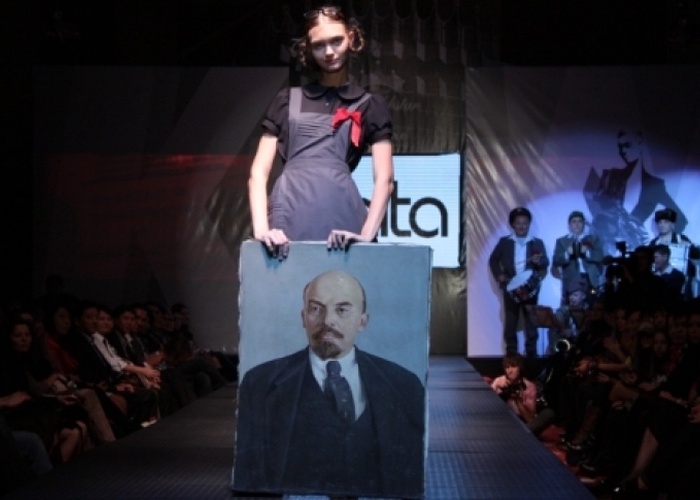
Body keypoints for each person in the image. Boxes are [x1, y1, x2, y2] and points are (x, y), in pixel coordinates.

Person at [233, 270, 425, 498]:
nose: (327, 321)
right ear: (303, 317)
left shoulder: (404, 385)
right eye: (316, 309)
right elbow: (250, 479)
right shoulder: (260, 384)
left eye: (342, 310)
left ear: (363, 321)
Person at [247, 5, 394, 258]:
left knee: (340, 281)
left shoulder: (370, 105)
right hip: (288, 209)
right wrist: (262, 230)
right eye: (318, 45)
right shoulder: (287, 100)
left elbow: (385, 179)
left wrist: (367, 235)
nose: (328, 52)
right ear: (308, 48)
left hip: (342, 212)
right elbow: (258, 173)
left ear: (351, 37)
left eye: (336, 41)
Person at [488, 207, 549, 357]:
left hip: (530, 288)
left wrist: (538, 260)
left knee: (531, 320)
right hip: (511, 287)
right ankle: (511, 353)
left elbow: (546, 262)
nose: (522, 226)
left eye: (525, 223)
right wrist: (499, 275)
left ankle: (531, 352)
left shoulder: (536, 242)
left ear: (529, 224)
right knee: (511, 320)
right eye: (518, 223)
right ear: (513, 225)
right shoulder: (505, 242)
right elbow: (493, 260)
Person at [491, 353, 555, 437]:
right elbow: (485, 408)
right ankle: (520, 434)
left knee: (549, 413)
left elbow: (530, 419)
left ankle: (519, 434)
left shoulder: (528, 387)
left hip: (522, 424)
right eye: (507, 367)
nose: (510, 371)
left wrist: (517, 399)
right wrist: (495, 387)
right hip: (502, 422)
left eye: (513, 367)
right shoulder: (499, 381)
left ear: (520, 368)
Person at [551, 210, 604, 301]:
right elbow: (556, 260)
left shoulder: (593, 239)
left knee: (592, 304)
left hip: (590, 279)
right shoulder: (561, 241)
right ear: (569, 225)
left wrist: (587, 252)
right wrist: (567, 254)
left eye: (580, 221)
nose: (577, 224)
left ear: (584, 224)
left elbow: (600, 256)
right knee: (572, 306)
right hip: (571, 280)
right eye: (574, 221)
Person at [651, 244, 686, 310]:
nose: (654, 261)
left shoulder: (678, 276)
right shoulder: (653, 275)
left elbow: (672, 295)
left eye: (656, 257)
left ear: (665, 257)